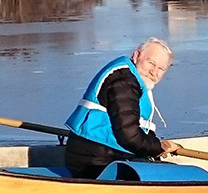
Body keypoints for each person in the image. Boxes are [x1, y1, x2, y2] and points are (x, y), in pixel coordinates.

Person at [64, 37, 181, 179]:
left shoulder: (132, 77)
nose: (154, 71)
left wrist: (156, 144)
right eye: (151, 63)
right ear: (136, 55)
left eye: (161, 68)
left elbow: (133, 126)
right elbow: (129, 135)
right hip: (94, 163)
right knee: (170, 175)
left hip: (101, 154)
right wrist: (157, 149)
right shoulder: (124, 82)